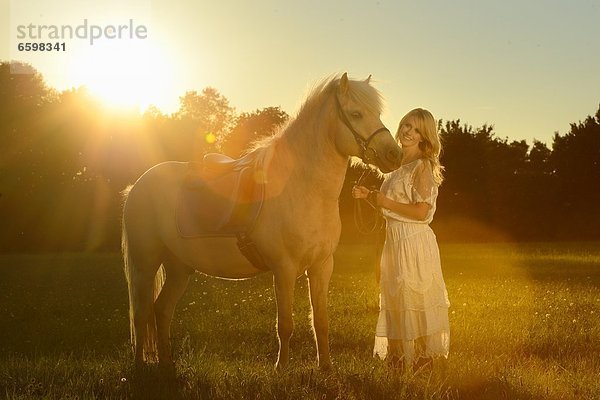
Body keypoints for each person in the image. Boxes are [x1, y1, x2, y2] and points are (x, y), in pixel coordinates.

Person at [352, 108, 450, 371]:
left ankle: (423, 361)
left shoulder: (423, 167)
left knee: (414, 301)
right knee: (396, 301)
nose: (407, 131)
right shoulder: (396, 168)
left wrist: (383, 200)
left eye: (415, 129)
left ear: (424, 136)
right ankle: (398, 362)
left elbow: (421, 211)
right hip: (394, 242)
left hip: (414, 243)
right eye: (406, 125)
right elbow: (393, 208)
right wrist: (370, 197)